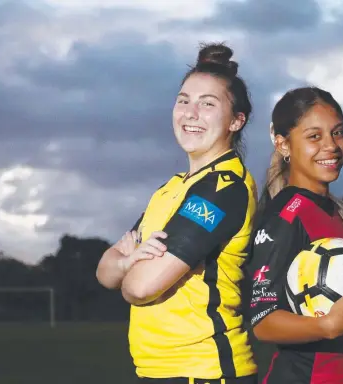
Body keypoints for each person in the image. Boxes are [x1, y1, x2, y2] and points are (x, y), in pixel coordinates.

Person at [96, 43, 258, 383]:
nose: (190, 113)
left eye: (208, 104)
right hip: (160, 371)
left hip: (206, 371)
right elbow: (104, 271)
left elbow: (140, 288)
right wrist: (127, 264)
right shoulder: (171, 189)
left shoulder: (223, 187)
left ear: (236, 121)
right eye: (183, 100)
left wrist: (128, 269)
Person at [247, 86, 343, 383]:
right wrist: (329, 326)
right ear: (283, 144)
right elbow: (263, 322)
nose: (332, 146)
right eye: (314, 136)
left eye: (338, 133)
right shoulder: (286, 215)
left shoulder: (336, 212)